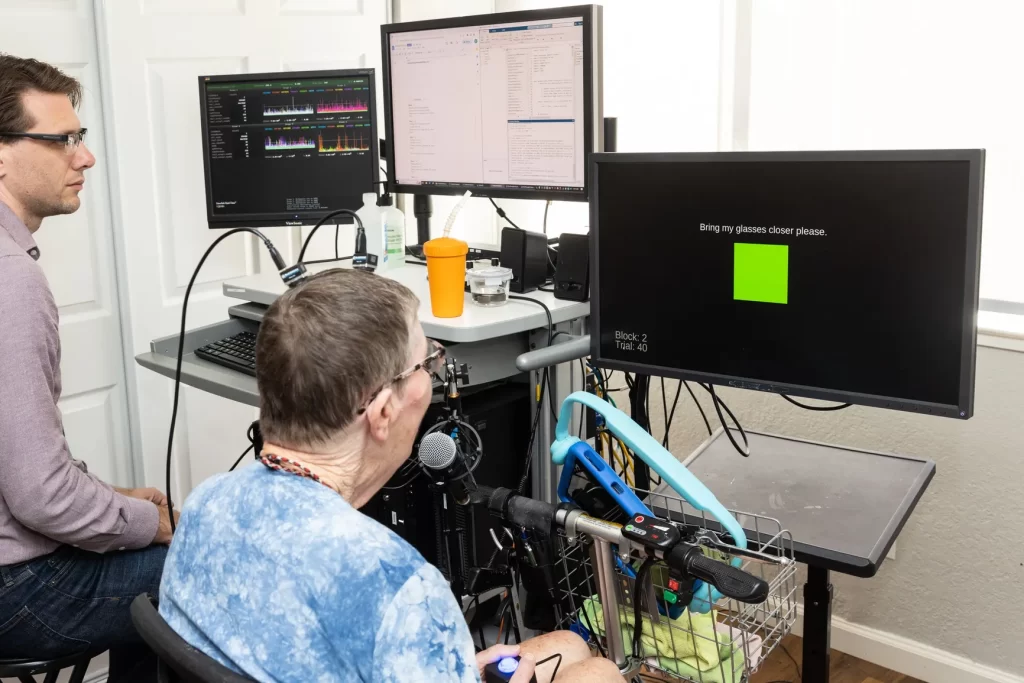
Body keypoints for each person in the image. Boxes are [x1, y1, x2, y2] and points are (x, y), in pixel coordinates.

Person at [159, 269, 623, 683]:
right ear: (382, 411)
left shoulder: (206, 501)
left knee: (569, 645)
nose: (433, 376)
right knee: (600, 672)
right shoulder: (399, 587)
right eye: (427, 364)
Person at [0, 55, 174, 682]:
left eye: (82, 136)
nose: (85, 157)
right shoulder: (11, 282)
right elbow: (39, 495)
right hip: (14, 592)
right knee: (199, 562)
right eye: (61, 139)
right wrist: (150, 523)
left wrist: (109, 500)